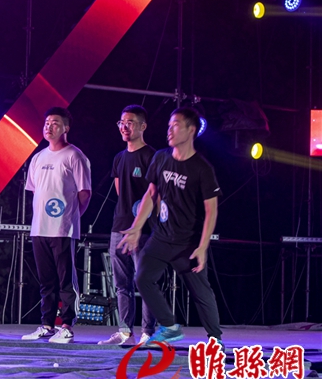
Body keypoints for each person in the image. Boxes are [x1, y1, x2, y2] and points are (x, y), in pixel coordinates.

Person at [119, 106, 223, 346]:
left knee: (201, 293)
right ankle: (169, 326)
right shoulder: (161, 158)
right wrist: (136, 227)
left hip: (188, 242)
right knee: (143, 278)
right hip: (162, 236)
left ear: (191, 130)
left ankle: (215, 339)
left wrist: (203, 247)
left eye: (175, 125)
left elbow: (211, 210)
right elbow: (151, 194)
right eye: (169, 126)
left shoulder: (202, 168)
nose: (169, 130)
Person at [21, 107, 91, 343]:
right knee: (46, 281)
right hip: (39, 228)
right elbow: (35, 191)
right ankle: (47, 324)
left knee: (65, 280)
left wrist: (71, 217)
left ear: (66, 128)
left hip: (63, 228)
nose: (49, 127)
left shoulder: (75, 156)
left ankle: (67, 325)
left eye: (55, 123)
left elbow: (85, 193)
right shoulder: (38, 158)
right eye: (47, 123)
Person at [98, 105, 158, 346]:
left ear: (143, 126)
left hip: (143, 229)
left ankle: (148, 333)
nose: (124, 126)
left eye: (130, 122)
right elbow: (119, 191)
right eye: (121, 122)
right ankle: (125, 332)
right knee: (121, 284)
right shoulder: (119, 158)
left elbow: (155, 194)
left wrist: (141, 222)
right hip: (119, 227)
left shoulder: (152, 156)